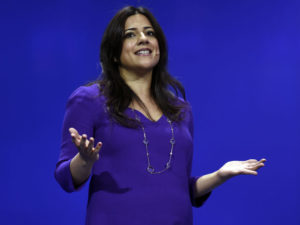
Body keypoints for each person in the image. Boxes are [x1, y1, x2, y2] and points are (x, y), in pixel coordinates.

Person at [55, 6, 266, 225]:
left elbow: (182, 189)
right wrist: (85, 160)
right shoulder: (90, 99)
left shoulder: (180, 109)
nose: (143, 39)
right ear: (114, 53)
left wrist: (220, 175)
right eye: (130, 34)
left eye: (150, 32)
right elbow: (65, 177)